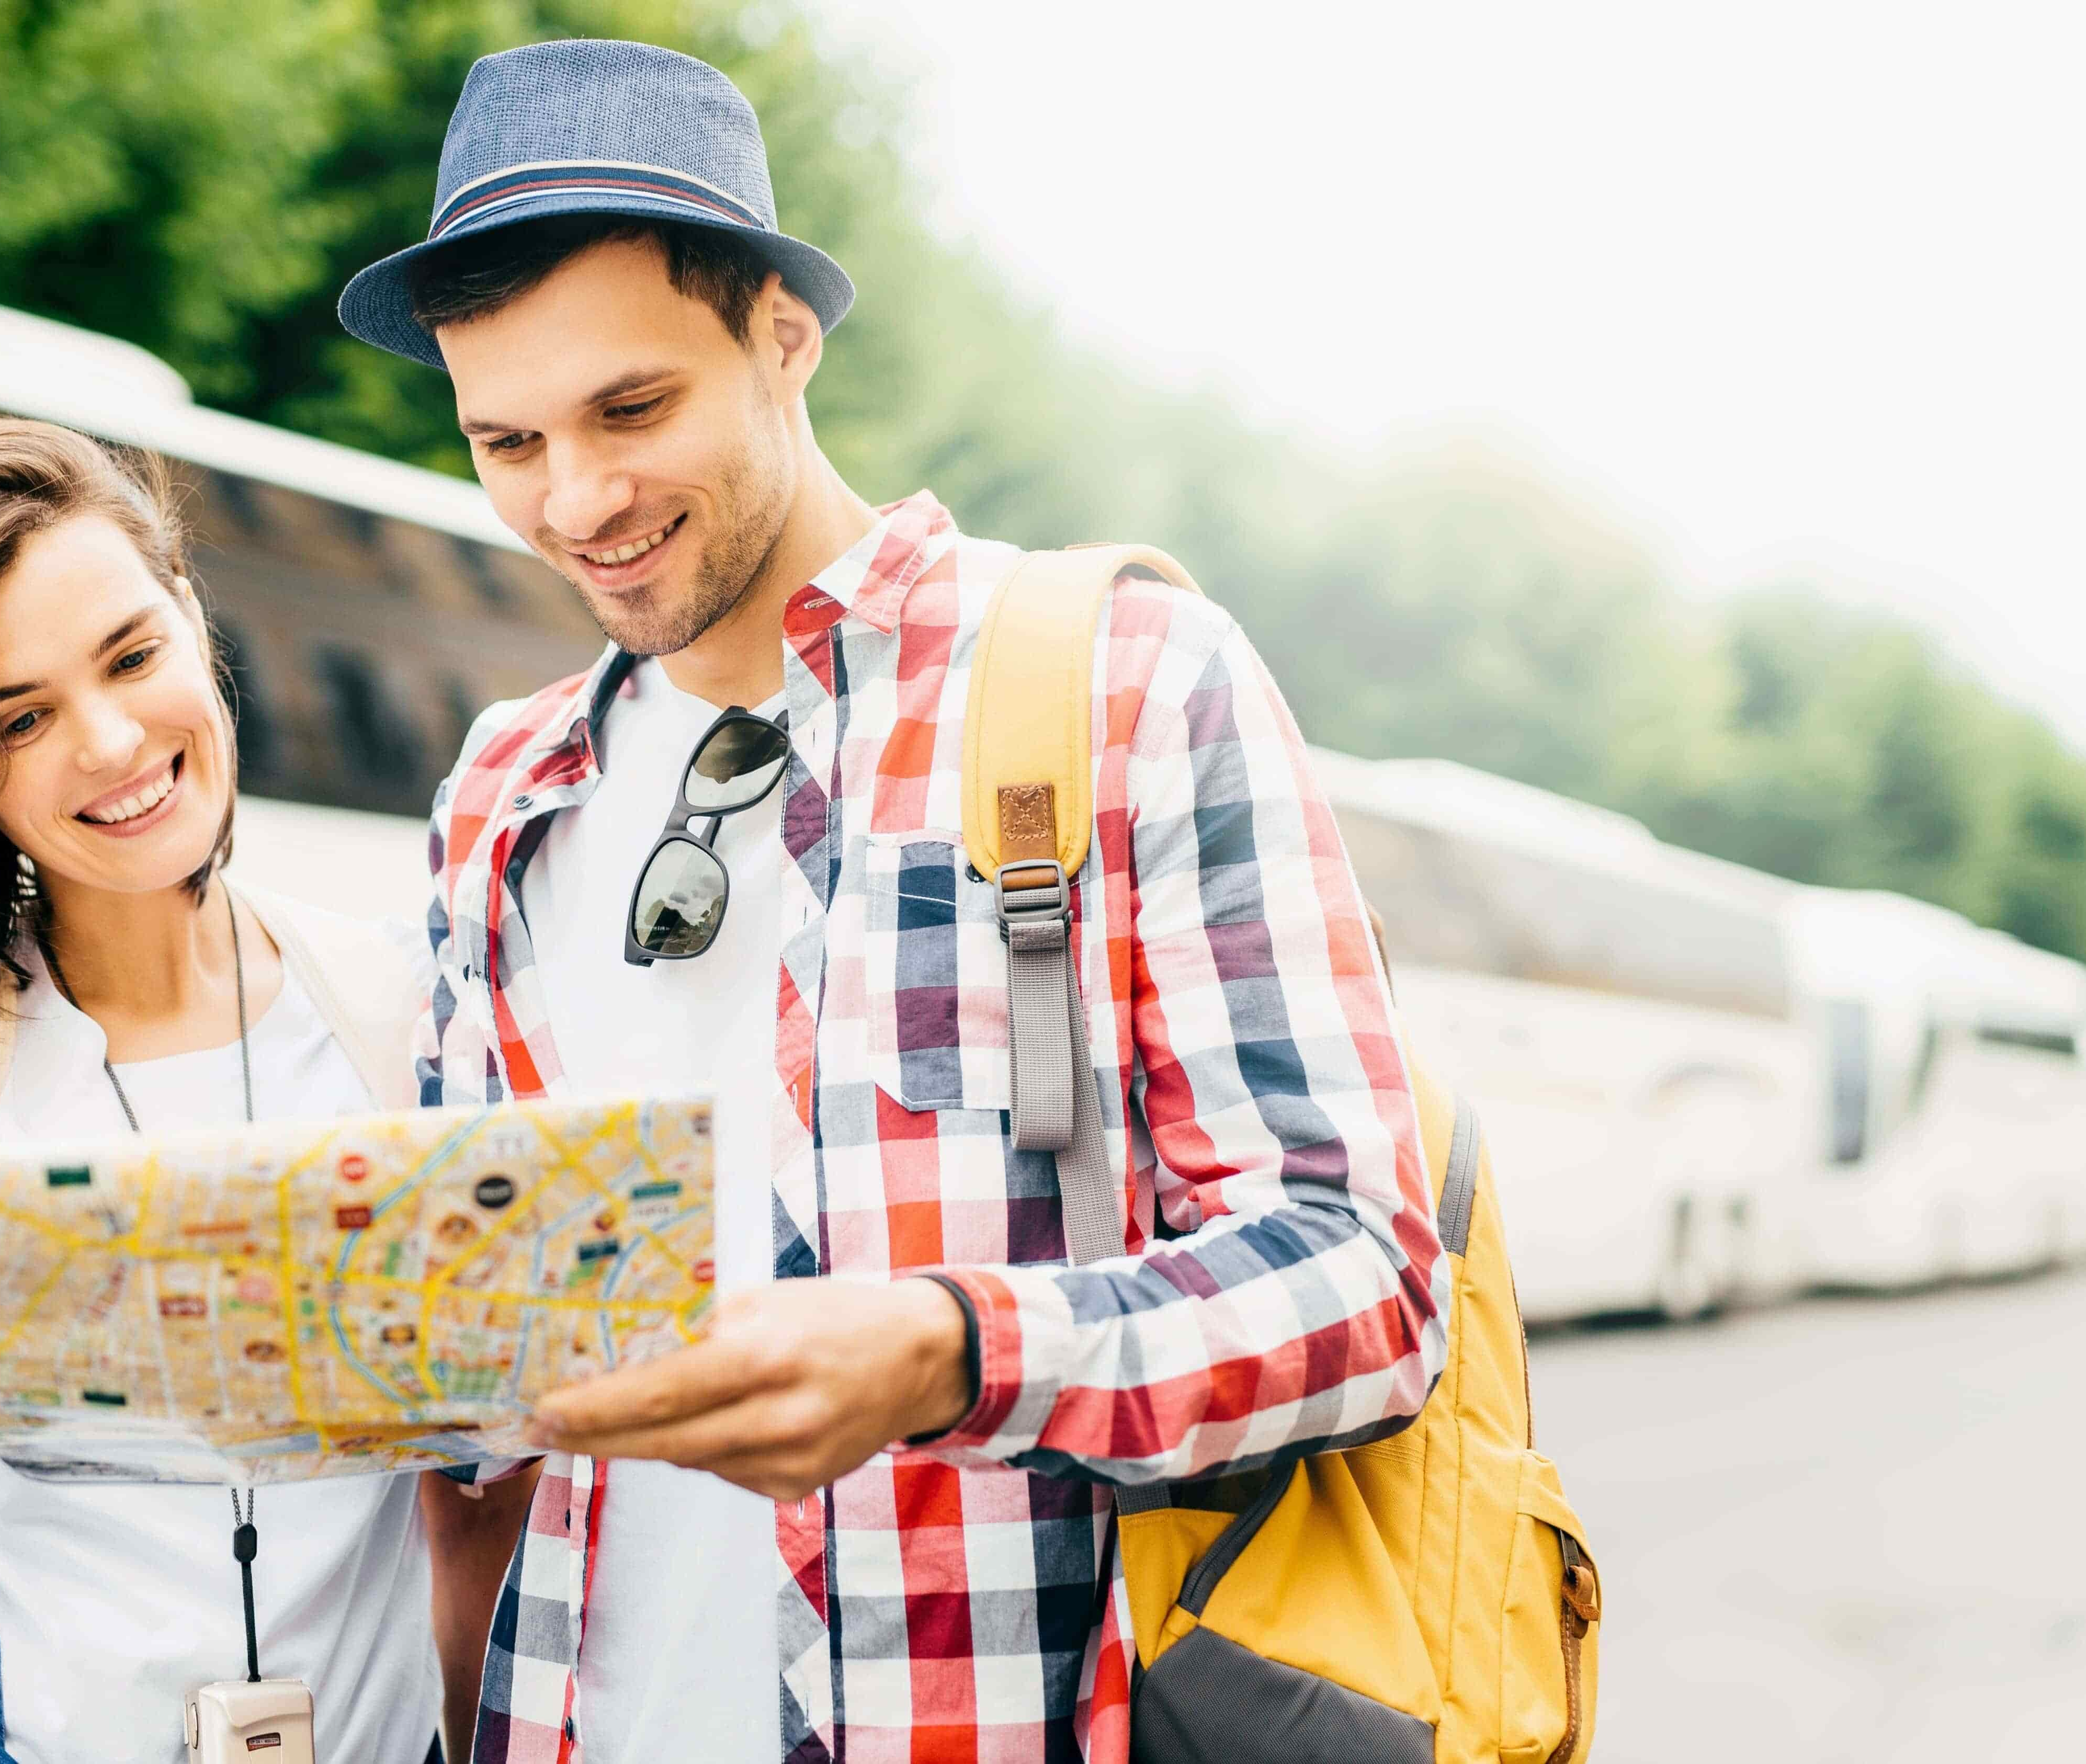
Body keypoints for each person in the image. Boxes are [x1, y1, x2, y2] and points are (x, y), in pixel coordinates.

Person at [335, 40, 1453, 1764]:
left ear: (784, 336)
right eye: (507, 440)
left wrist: (946, 1350)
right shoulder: (497, 790)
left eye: (631, 411)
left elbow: (1363, 1282)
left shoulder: (1120, 680)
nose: (575, 500)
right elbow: (473, 1385)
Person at [0, 418, 522, 1764]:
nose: (109, 740)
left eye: (134, 657)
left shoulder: (408, 1015)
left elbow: (477, 1503)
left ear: (195, 624)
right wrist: (199, 1273)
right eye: (20, 719)